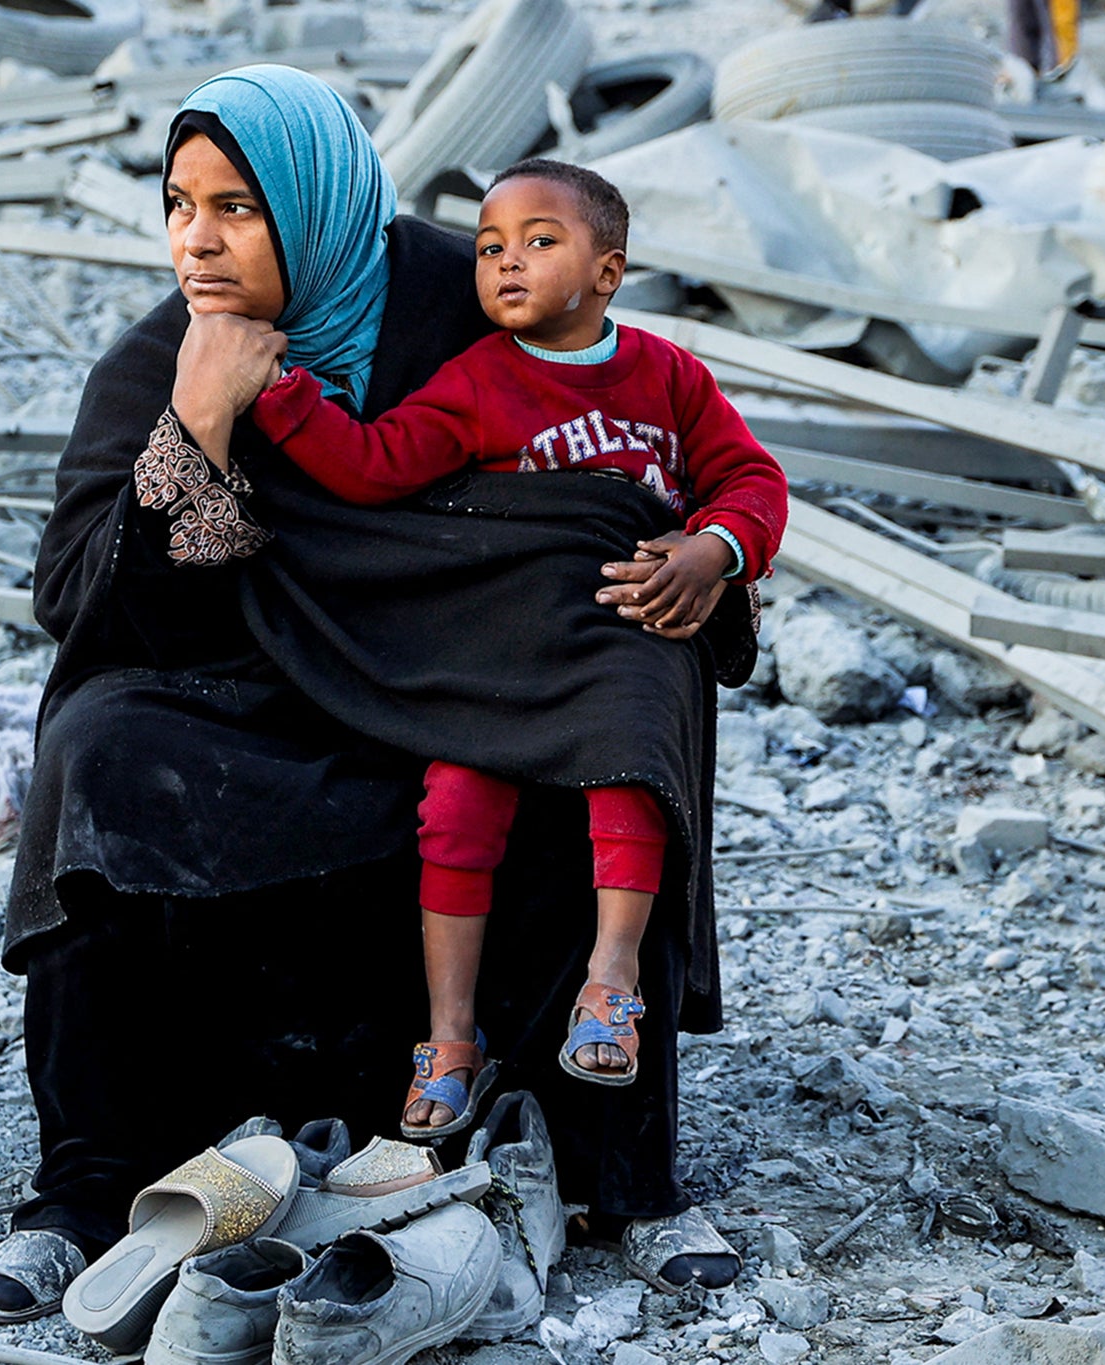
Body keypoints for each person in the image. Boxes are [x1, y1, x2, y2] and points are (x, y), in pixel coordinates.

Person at [0, 65, 751, 1324]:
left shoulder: (468, 296)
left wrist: (700, 552)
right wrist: (201, 427)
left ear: (316, 205)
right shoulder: (167, 356)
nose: (196, 240)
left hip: (463, 685)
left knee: (621, 696)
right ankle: (84, 1189)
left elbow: (614, 446)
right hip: (251, 700)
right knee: (100, 745)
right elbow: (89, 607)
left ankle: (623, 1176)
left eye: (236, 208)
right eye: (177, 204)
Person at [229, 159, 787, 1140]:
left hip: (619, 640)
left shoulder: (666, 375)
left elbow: (748, 477)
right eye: (489, 248)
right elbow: (375, 466)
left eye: (538, 241)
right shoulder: (478, 382)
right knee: (453, 804)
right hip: (497, 647)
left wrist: (713, 547)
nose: (505, 262)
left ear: (607, 272)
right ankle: (449, 1038)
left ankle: (609, 984)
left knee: (626, 769)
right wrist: (281, 397)